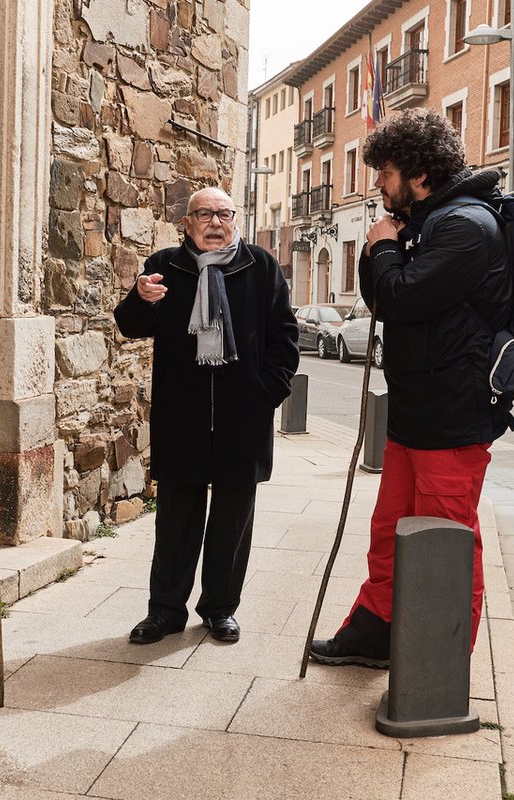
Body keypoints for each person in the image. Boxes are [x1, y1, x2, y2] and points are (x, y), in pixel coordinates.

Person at [310, 108, 512, 668]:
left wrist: (381, 245)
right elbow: (382, 300)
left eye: (386, 171)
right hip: (413, 415)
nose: (377, 182)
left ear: (418, 174)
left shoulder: (466, 228)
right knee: (391, 534)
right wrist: (383, 246)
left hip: (451, 421)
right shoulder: (427, 221)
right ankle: (375, 636)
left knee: (443, 544)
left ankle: (436, 671)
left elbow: (399, 297)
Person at [114, 187, 299, 645]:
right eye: (204, 214)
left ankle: (219, 608)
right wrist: (141, 299)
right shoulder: (165, 266)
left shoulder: (260, 266)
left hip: (243, 417)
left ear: (235, 220)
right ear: (187, 224)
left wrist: (265, 394)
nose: (215, 223)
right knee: (176, 519)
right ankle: (164, 612)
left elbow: (285, 336)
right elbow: (130, 325)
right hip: (184, 416)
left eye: (223, 214)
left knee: (233, 519)